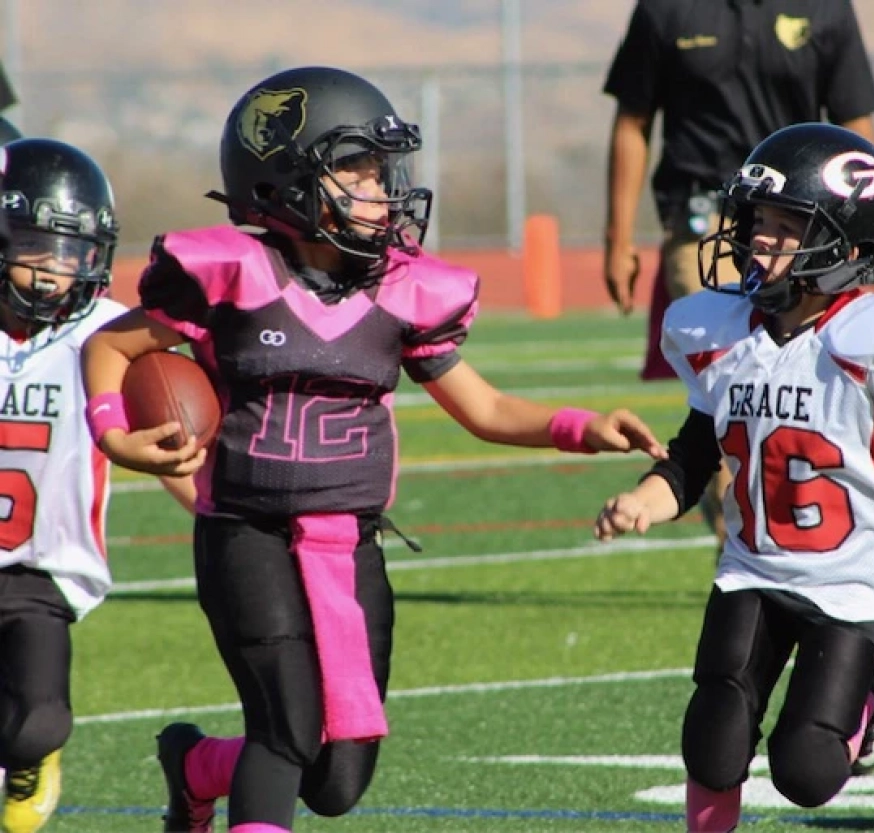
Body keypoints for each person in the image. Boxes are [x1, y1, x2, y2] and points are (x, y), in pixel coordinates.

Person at [79, 65, 667, 833]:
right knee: (285, 727)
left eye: (382, 171)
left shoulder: (401, 290)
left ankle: (195, 765)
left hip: (348, 542)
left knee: (335, 779)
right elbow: (111, 347)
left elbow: (484, 406)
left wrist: (577, 426)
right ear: (286, 180)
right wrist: (112, 432)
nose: (382, 190)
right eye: (355, 170)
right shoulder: (233, 275)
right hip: (244, 532)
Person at [593, 122, 874, 831]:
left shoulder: (871, 344)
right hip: (756, 565)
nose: (758, 240)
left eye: (786, 226)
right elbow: (694, 457)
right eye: (757, 222)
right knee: (712, 736)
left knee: (806, 770)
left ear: (847, 245)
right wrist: (643, 501)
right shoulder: (725, 336)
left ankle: (862, 702)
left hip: (860, 581)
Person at [601, 0, 874, 558]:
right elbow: (632, 122)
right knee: (731, 368)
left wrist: (871, 230)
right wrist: (618, 237)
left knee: (811, 374)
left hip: (808, 223)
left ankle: (804, 522)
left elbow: (855, 122)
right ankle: (742, 540)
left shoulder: (825, 9)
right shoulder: (666, 9)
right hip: (708, 222)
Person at [0, 138, 197, 833]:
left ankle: (27, 752)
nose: (55, 270)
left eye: (73, 252)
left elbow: (175, 440)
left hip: (40, 566)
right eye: (34, 246)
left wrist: (220, 511)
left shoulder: (109, 335)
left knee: (35, 724)